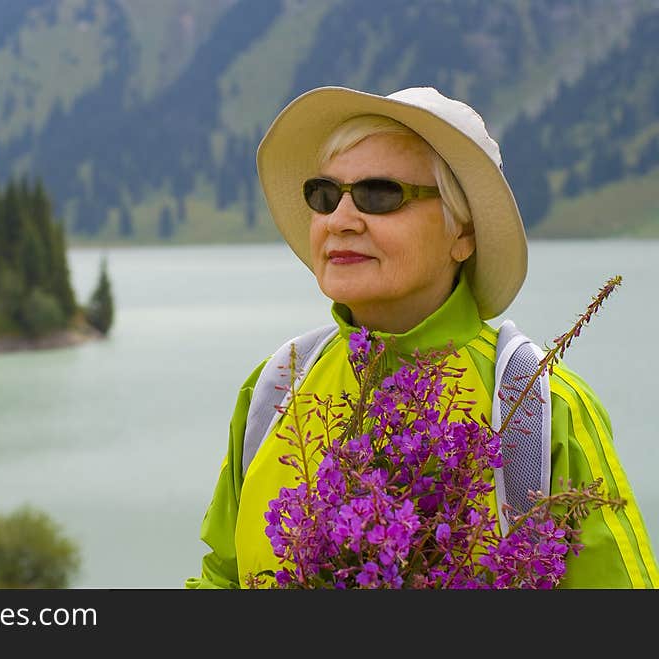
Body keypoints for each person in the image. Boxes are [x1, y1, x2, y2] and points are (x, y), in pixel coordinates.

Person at [185, 85, 659, 589]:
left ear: (463, 233)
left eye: (380, 195)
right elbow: (221, 578)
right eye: (324, 195)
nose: (340, 221)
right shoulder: (276, 387)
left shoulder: (539, 409)